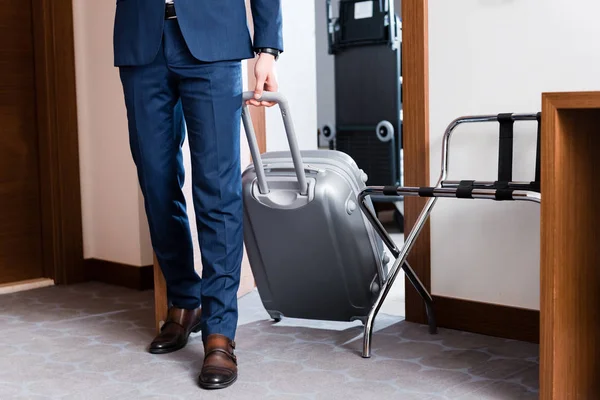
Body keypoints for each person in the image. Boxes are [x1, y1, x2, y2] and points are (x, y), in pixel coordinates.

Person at [113, 0, 282, 390]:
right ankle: (185, 300)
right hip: (141, 42)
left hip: (215, 40)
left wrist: (267, 48)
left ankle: (220, 330)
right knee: (156, 183)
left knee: (217, 188)